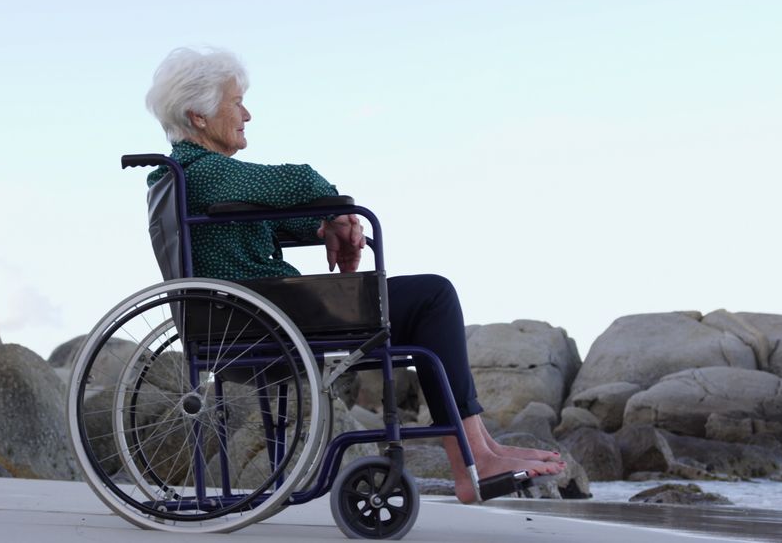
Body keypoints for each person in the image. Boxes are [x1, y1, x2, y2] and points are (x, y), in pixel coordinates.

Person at [143, 47, 564, 503]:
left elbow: (269, 220)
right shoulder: (204, 171)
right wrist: (339, 209)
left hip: (252, 315)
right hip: (258, 319)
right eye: (236, 102)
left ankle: (478, 449)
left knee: (425, 310)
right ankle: (472, 458)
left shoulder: (201, 178)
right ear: (198, 116)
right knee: (432, 298)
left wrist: (326, 225)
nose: (247, 113)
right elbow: (297, 181)